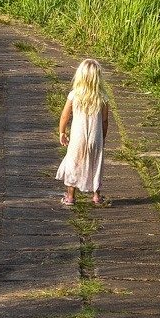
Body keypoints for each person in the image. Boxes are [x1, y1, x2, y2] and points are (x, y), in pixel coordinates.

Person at [56, 58, 109, 207]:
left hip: (77, 139)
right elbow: (105, 121)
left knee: (73, 164)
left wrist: (62, 132)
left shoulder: (74, 95)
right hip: (95, 138)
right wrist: (102, 137)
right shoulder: (102, 97)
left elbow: (65, 116)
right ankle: (96, 196)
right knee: (96, 164)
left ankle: (70, 197)